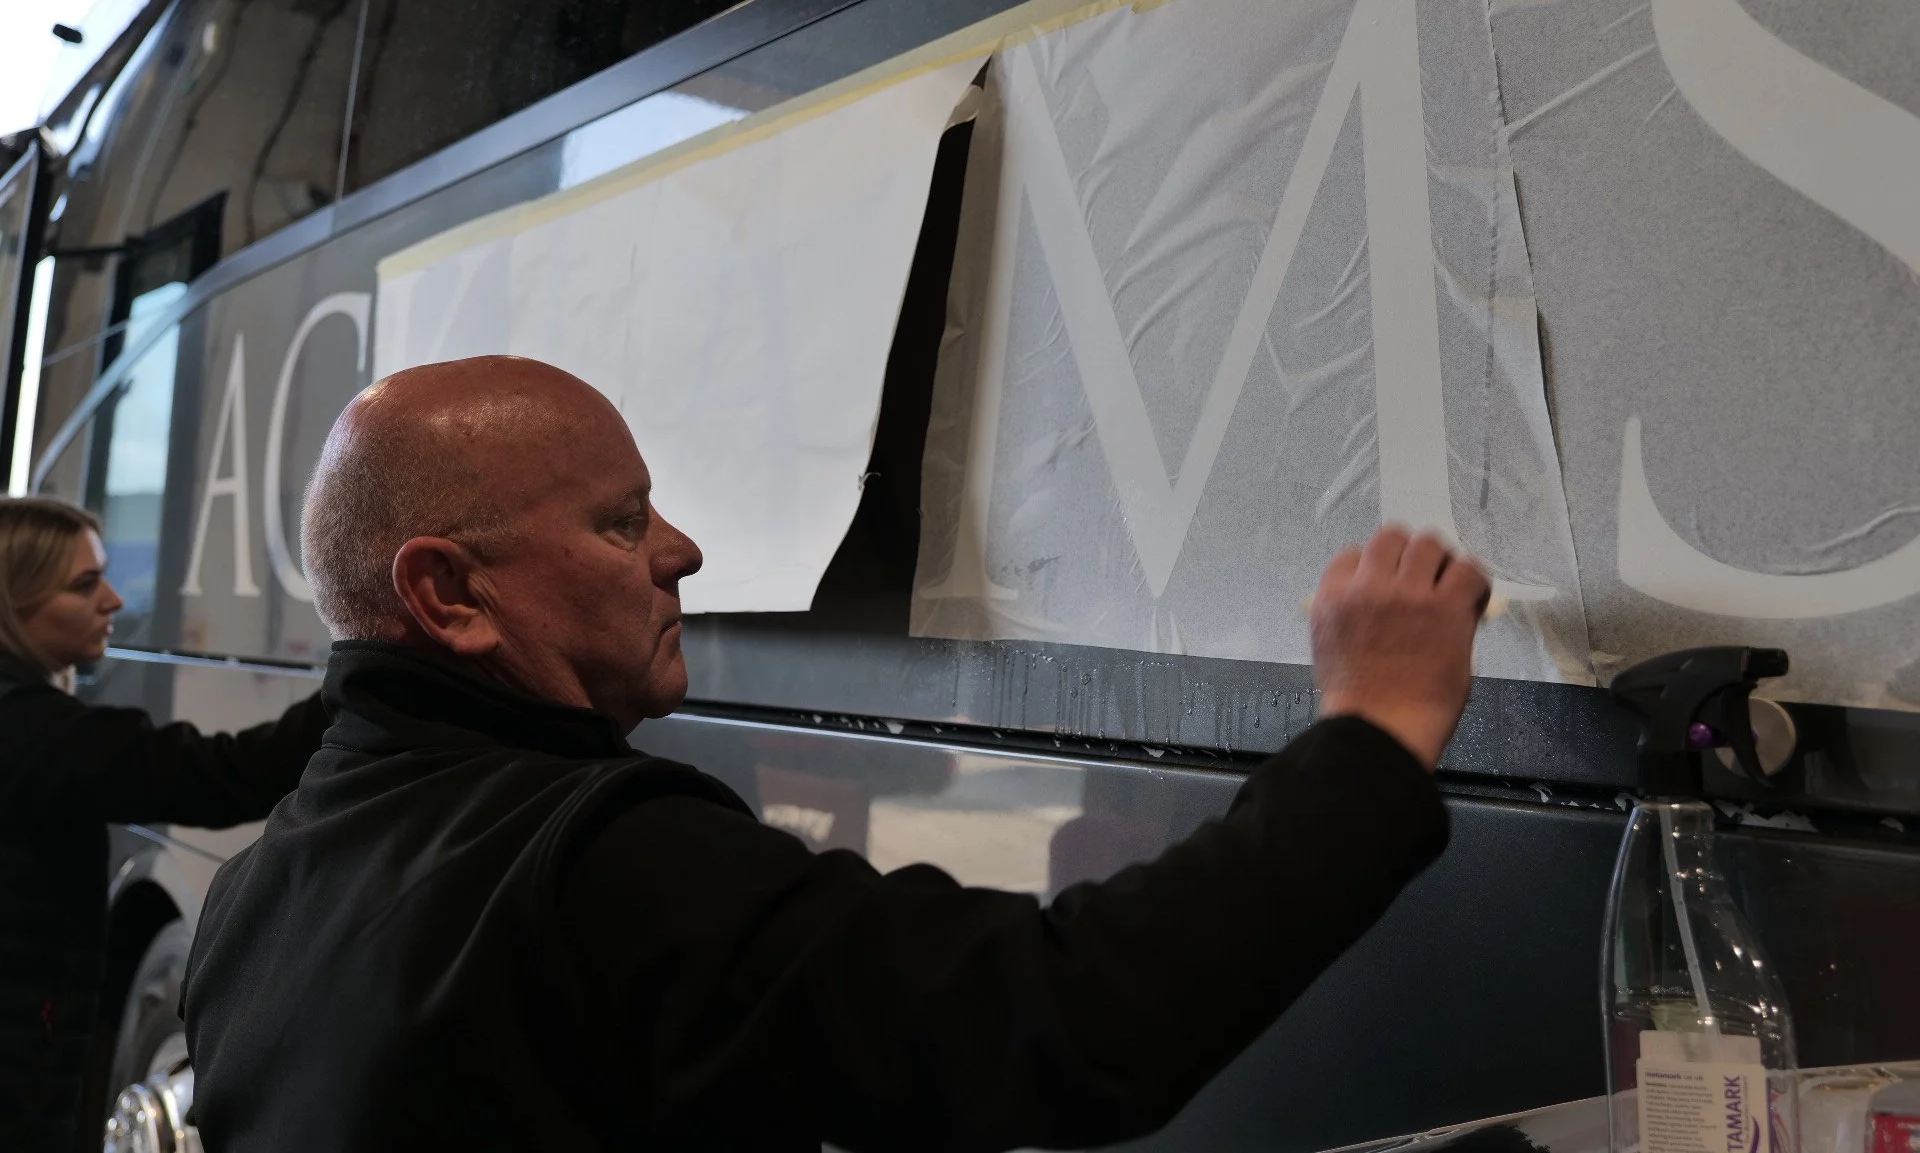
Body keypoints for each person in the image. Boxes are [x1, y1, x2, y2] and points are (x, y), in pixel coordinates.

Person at [182, 356, 1490, 1152]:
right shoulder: (595, 863)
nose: (681, 550)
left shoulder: (255, 894)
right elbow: (1070, 1022)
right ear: (450, 594)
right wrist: (1374, 729)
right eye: (621, 521)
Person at [0, 497, 329, 1153]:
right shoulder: (33, 731)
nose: (115, 600)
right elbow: (223, 775)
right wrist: (358, 682)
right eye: (85, 584)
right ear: (16, 601)